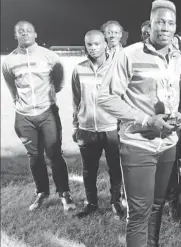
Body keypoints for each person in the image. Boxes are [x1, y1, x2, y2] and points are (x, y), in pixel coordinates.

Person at [98, 0, 181, 247]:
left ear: (175, 27)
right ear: (150, 24)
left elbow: (179, 97)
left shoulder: (178, 58)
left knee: (158, 205)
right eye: (159, 22)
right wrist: (146, 120)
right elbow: (106, 97)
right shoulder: (129, 55)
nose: (165, 27)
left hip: (168, 144)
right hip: (138, 144)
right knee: (138, 212)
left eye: (170, 23)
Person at [2, 20, 75, 211]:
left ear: (35, 34)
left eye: (28, 31)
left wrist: (47, 98)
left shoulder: (49, 56)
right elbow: (12, 87)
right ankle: (41, 192)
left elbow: (58, 83)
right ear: (15, 36)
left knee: (54, 155)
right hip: (24, 116)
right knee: (34, 157)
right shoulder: (9, 61)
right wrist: (20, 104)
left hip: (47, 112)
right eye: (20, 31)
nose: (24, 33)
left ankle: (65, 194)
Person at [71, 30, 124, 219]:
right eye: (89, 44)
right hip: (87, 129)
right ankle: (91, 203)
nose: (93, 48)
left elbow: (123, 97)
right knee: (88, 169)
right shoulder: (79, 69)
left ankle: (115, 202)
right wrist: (76, 125)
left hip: (110, 128)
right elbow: (76, 100)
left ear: (105, 45)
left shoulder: (116, 67)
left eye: (96, 44)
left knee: (115, 168)